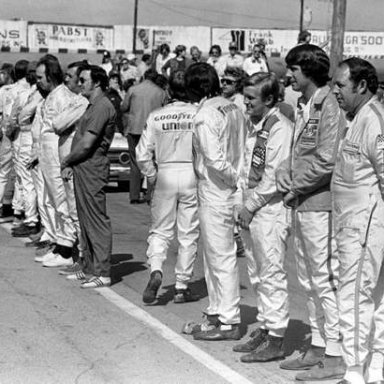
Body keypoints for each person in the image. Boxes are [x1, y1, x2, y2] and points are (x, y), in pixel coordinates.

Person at [276, 44, 345, 381]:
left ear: (306, 71)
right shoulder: (305, 105)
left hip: (322, 204)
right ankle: (318, 345)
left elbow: (327, 160)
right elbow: (298, 153)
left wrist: (294, 186)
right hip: (304, 202)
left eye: (293, 69)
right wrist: (285, 174)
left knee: (325, 279)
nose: (288, 75)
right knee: (307, 279)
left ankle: (335, 354)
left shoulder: (330, 105)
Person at [232, 72, 293, 363]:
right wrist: (240, 204)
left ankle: (278, 336)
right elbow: (246, 169)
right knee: (256, 273)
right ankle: (267, 326)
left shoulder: (280, 127)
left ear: (269, 99)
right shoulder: (254, 124)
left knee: (271, 272)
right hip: (251, 208)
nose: (246, 102)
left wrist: (250, 205)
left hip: (270, 210)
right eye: (245, 96)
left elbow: (272, 176)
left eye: (251, 98)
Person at [184, 62, 247, 341]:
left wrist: (233, 179)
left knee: (220, 257)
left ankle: (229, 320)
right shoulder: (233, 107)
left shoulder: (205, 115)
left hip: (217, 187)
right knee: (213, 257)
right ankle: (216, 311)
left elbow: (214, 158)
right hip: (228, 186)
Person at [332, 58, 384, 384]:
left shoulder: (374, 121)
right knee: (375, 300)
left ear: (361, 85)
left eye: (340, 84)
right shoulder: (357, 118)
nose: (335, 90)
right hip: (357, 224)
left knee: (353, 297)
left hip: (365, 226)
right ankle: (375, 371)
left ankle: (354, 373)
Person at [136, 71, 200, 304]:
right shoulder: (198, 115)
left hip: (165, 171)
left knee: (160, 230)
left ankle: (156, 270)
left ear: (169, 92)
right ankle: (182, 285)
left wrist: (152, 176)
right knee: (188, 232)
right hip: (191, 173)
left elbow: (142, 154)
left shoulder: (156, 116)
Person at [61, 65, 116, 288]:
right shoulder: (92, 106)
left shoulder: (102, 107)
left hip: (92, 166)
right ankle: (89, 267)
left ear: (97, 83)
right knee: (84, 219)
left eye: (84, 80)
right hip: (83, 166)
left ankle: (102, 272)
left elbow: (87, 143)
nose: (80, 83)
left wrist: (67, 160)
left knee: (95, 219)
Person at [33, 55, 78, 268]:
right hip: (46, 153)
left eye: (41, 77)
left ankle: (67, 249)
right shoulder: (50, 96)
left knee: (62, 200)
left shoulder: (63, 96)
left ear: (51, 75)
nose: (38, 81)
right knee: (53, 200)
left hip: (56, 152)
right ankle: (60, 243)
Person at [121, 69, 167, 204]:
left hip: (134, 129)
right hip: (153, 130)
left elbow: (124, 107)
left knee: (134, 162)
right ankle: (150, 195)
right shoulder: (161, 92)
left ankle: (134, 196)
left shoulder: (133, 90)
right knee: (152, 161)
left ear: (144, 77)